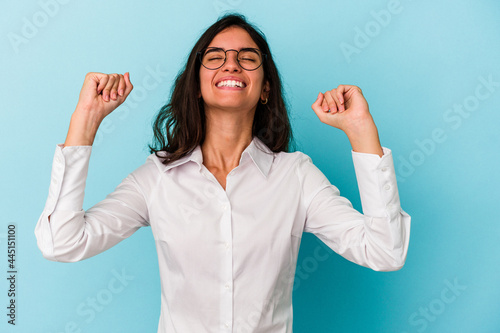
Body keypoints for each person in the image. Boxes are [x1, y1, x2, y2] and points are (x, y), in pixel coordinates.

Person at [35, 13, 410, 333]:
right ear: (197, 85)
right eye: (215, 57)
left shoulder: (297, 177)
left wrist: (361, 130)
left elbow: (385, 251)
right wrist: (85, 120)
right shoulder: (156, 179)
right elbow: (61, 242)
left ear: (265, 89)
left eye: (247, 58)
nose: (231, 64)